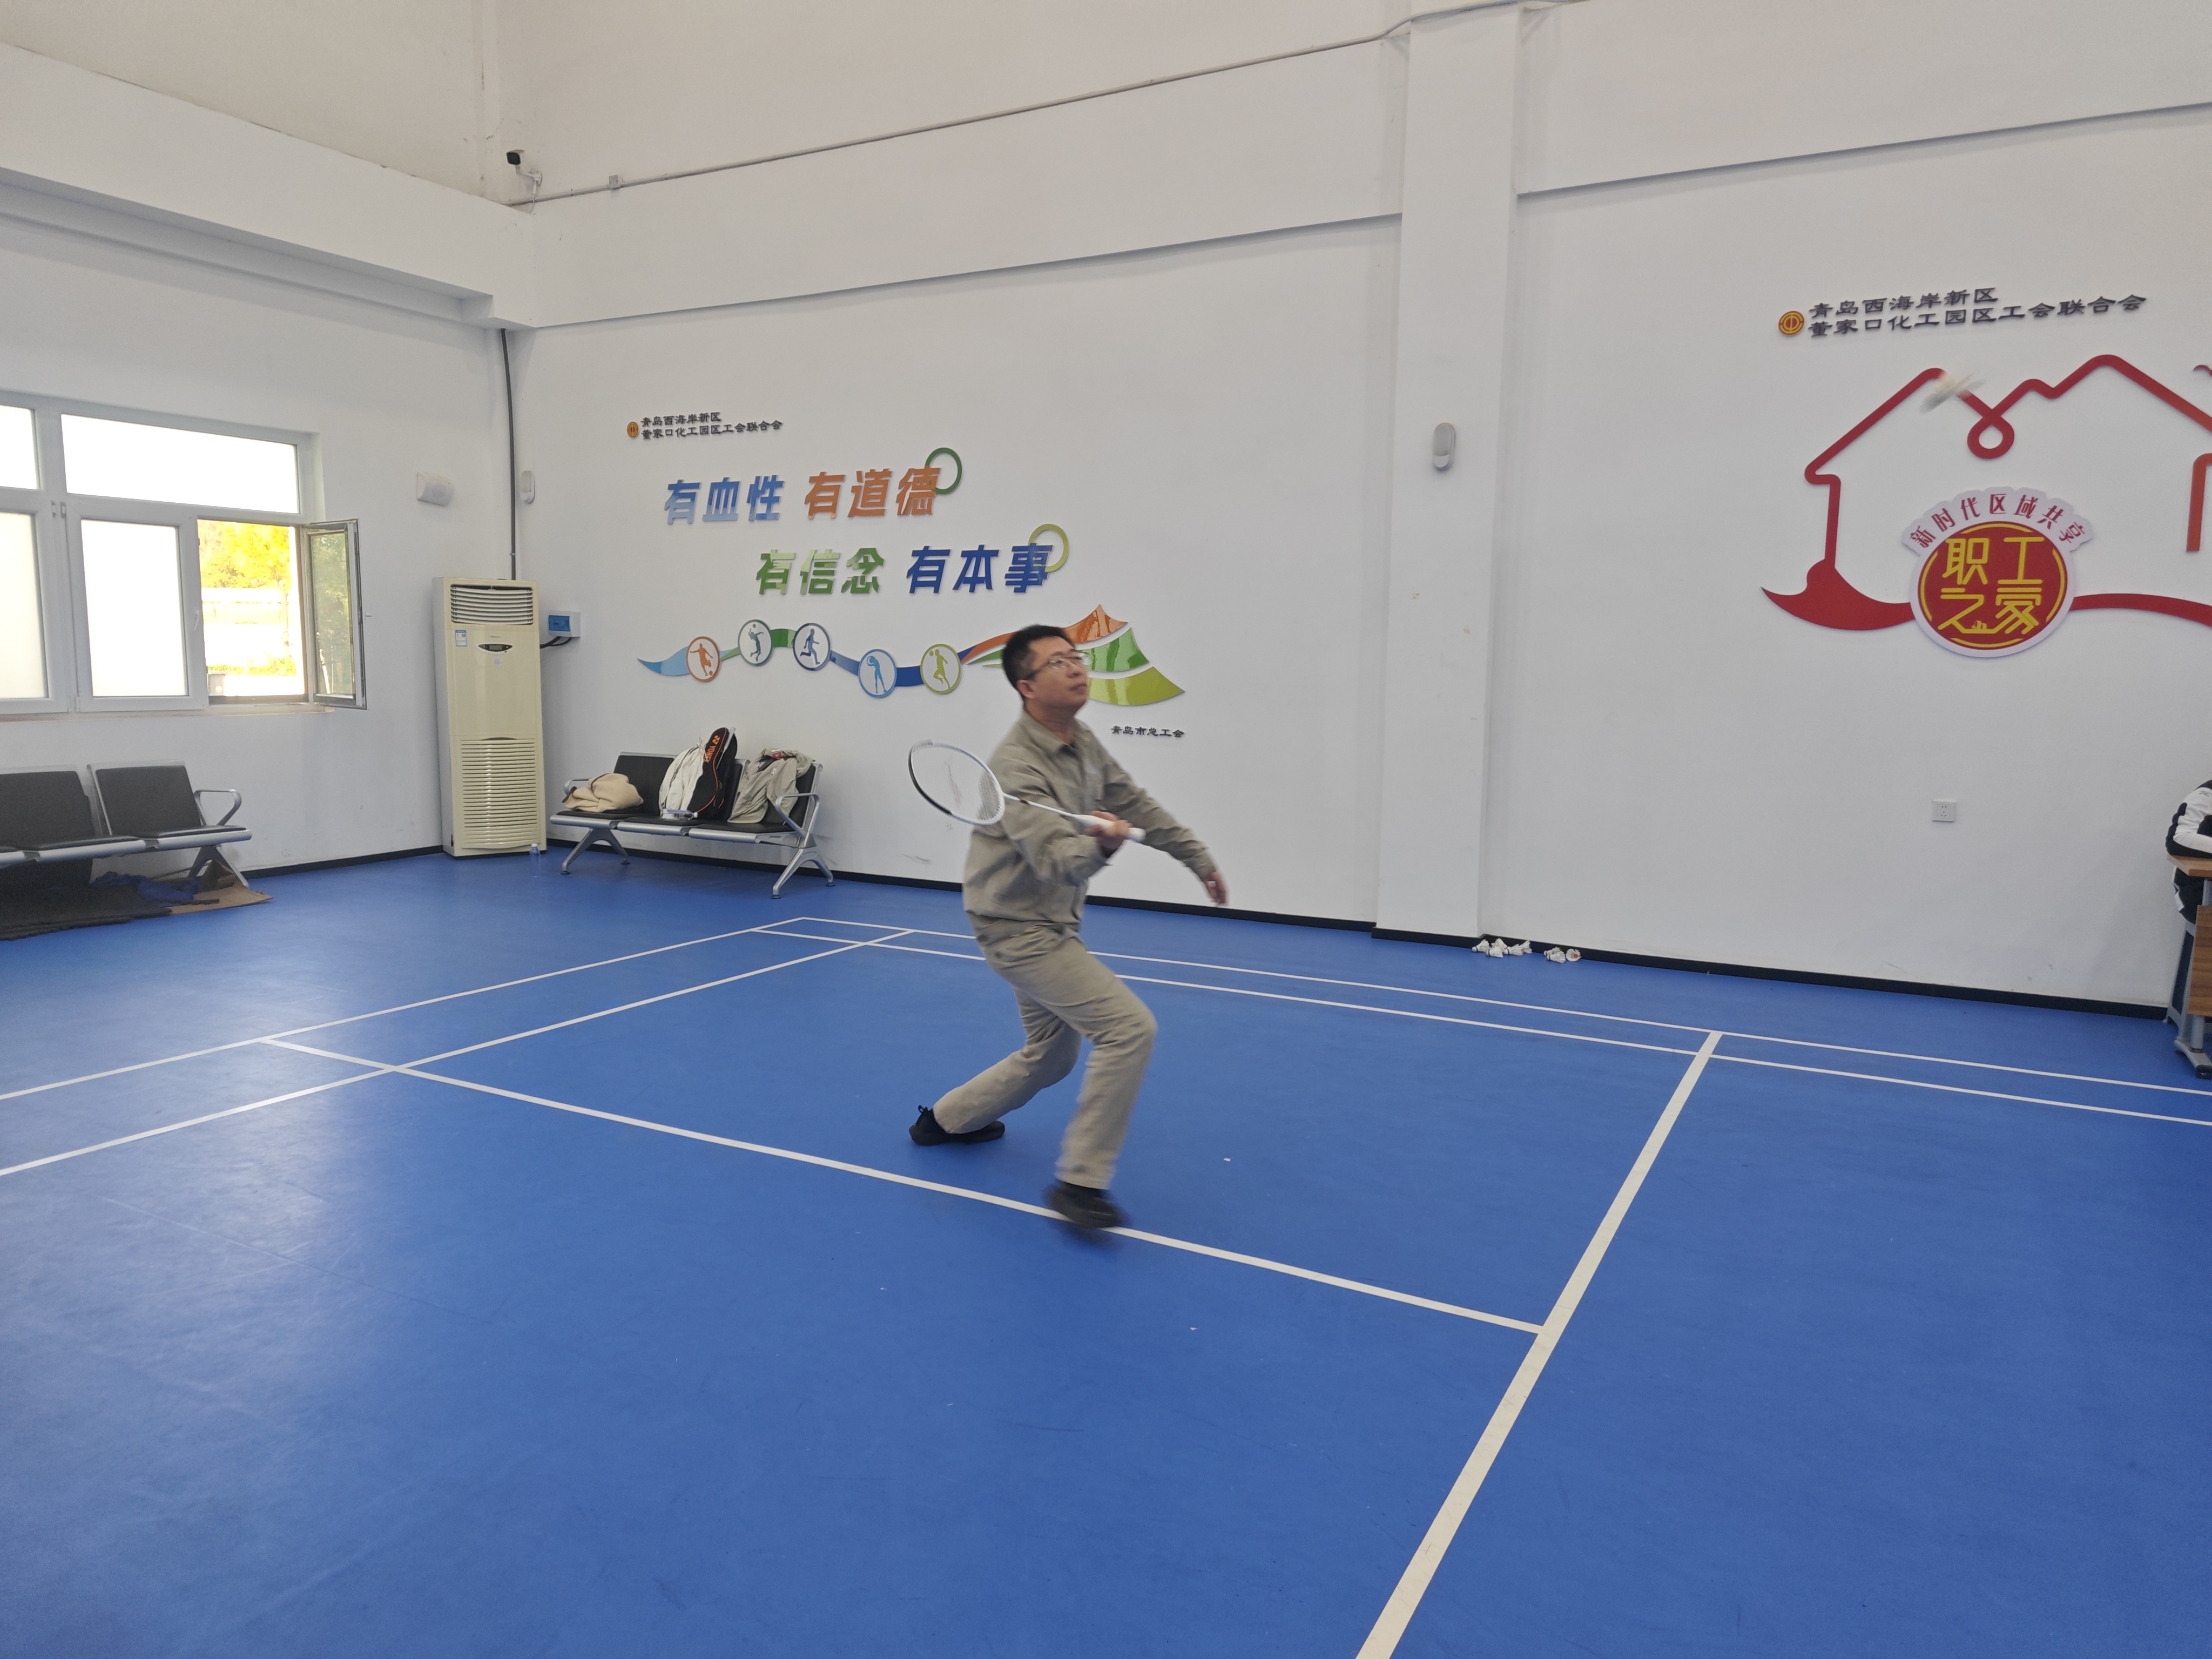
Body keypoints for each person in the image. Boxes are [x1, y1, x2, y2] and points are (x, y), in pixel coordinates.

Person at [908, 623, 1226, 1228]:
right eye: (1058, 662)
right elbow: (1056, 861)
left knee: (1053, 1056)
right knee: (1129, 1029)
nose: (1077, 667)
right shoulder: (1014, 768)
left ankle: (945, 1121)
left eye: (1076, 657)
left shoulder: (1082, 742)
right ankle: (1080, 1184)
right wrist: (1102, 847)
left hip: (1052, 924)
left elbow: (1135, 803)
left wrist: (1196, 857)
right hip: (1017, 931)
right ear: (1026, 686)